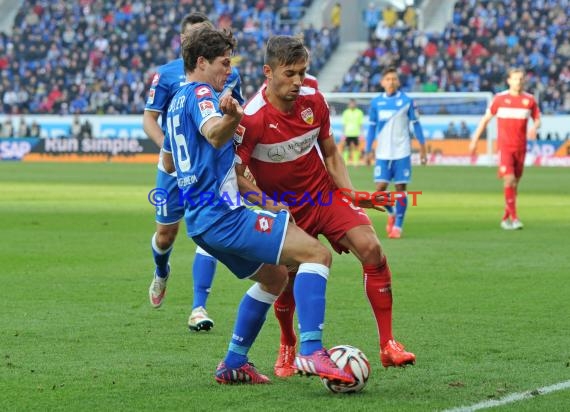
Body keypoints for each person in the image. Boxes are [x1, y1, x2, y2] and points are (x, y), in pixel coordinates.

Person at [167, 26, 354, 385]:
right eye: (223, 63)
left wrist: (269, 203)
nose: (229, 70)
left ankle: (234, 362)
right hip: (222, 217)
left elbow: (186, 164)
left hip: (201, 219)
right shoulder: (202, 93)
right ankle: (312, 350)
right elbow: (213, 132)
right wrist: (233, 118)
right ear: (201, 62)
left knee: (275, 277)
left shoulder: (176, 101)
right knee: (317, 255)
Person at [235, 35, 416, 378]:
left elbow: (330, 152)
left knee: (371, 247)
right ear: (267, 72)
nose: (298, 82)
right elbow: (237, 176)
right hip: (285, 209)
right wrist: (268, 205)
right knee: (286, 280)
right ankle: (288, 342)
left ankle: (388, 344)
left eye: (302, 73)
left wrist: (349, 193)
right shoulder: (251, 119)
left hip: (323, 195)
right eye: (289, 73)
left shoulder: (313, 102)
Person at [143, 13, 244, 332]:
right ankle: (161, 271)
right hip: (173, 166)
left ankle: (198, 307)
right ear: (184, 42)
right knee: (166, 234)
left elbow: (235, 121)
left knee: (209, 230)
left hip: (210, 165)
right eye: (191, 37)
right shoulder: (167, 74)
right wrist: (168, 149)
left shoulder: (228, 72)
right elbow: (150, 119)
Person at [469, 67, 541, 230]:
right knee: (509, 180)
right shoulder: (500, 99)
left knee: (514, 184)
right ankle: (515, 219)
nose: (518, 82)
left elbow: (538, 119)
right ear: (509, 81)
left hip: (521, 148)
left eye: (521, 79)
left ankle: (505, 217)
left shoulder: (529, 100)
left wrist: (534, 128)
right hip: (505, 148)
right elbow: (485, 120)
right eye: (515, 79)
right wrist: (474, 140)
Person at [366, 66, 427, 239]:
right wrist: (368, 149)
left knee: (400, 188)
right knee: (379, 192)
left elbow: (416, 124)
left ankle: (398, 226)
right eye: (388, 79)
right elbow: (371, 128)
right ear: (382, 82)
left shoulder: (407, 101)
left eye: (394, 79)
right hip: (383, 153)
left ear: (398, 81)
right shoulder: (376, 103)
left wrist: (423, 148)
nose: (391, 82)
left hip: (402, 152)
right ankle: (392, 212)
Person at [341, 98, 364, 166]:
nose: (352, 105)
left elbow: (361, 124)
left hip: (356, 133)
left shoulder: (359, 112)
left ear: (355, 104)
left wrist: (362, 134)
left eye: (353, 103)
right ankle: (345, 162)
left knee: (356, 148)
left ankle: (356, 162)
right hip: (347, 133)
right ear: (349, 104)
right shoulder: (345, 112)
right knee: (346, 148)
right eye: (351, 103)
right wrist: (343, 134)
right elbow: (344, 124)